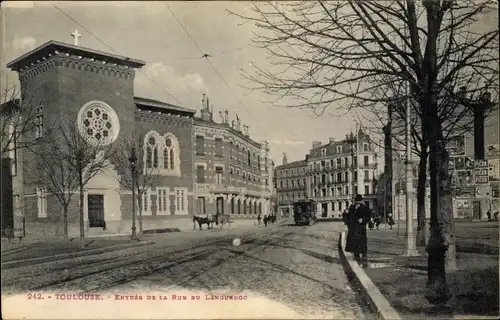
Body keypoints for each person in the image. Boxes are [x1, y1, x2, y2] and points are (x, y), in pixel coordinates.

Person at [345, 194, 371, 262]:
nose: (358, 203)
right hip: (354, 228)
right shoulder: (352, 207)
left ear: (361, 201)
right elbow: (349, 217)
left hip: (361, 228)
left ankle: (364, 255)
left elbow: (368, 217)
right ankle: (356, 256)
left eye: (359, 201)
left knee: (362, 242)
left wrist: (363, 220)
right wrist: (348, 223)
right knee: (354, 242)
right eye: (357, 201)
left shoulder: (365, 207)